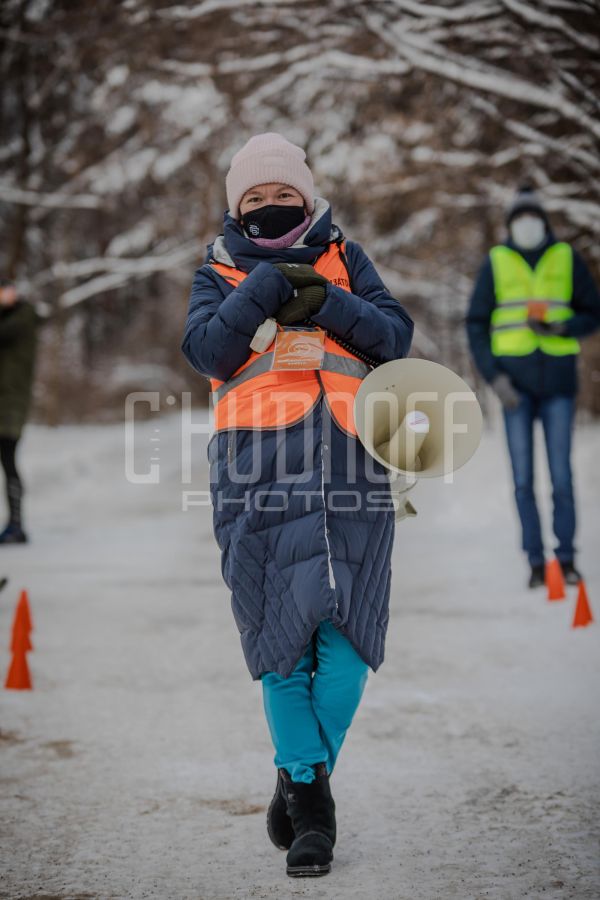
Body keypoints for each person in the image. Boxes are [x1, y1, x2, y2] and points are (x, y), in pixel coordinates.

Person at [181, 133, 413, 877]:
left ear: (308, 199)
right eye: (254, 197)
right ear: (235, 208)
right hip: (256, 473)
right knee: (281, 643)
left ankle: (295, 773)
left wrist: (327, 300)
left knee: (349, 643)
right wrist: (266, 285)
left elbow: (395, 339)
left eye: (284, 194)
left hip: (352, 465)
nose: (271, 204)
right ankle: (313, 807)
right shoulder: (217, 272)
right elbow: (207, 351)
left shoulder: (346, 258)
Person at [466, 184, 600, 589]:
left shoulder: (565, 257)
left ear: (543, 221)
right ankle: (536, 563)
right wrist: (495, 379)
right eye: (520, 218)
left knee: (561, 478)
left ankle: (567, 559)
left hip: (558, 385)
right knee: (523, 480)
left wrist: (564, 326)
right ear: (511, 224)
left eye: (533, 217)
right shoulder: (497, 261)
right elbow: (476, 324)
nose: (527, 224)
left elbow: (593, 312)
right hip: (514, 390)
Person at [0, 278, 39, 544]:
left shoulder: (22, 318)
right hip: (5, 400)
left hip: (11, 403)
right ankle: (15, 524)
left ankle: (16, 524)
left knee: (8, 459)